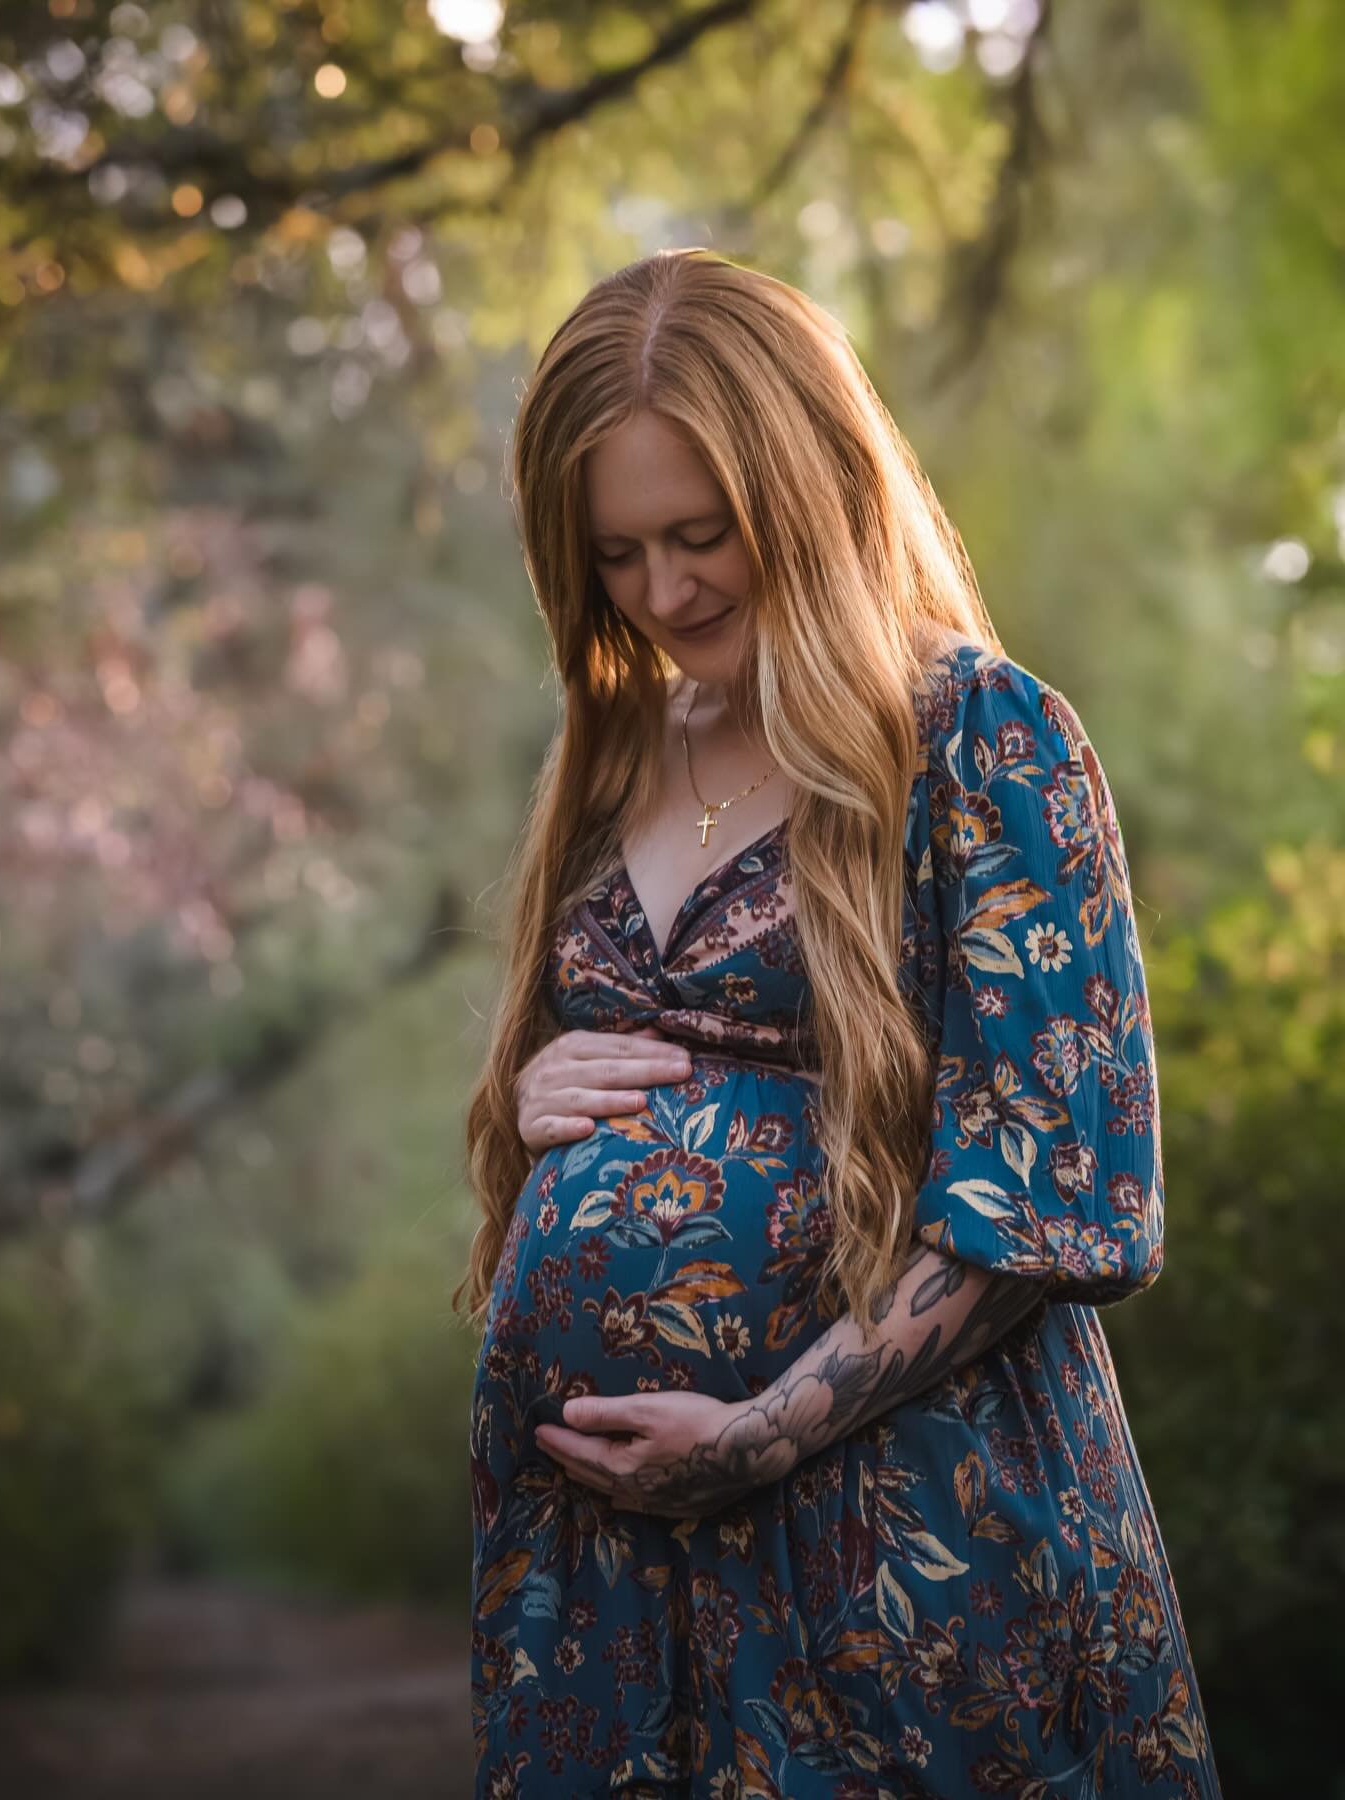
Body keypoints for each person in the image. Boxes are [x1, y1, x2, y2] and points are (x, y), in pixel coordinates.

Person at [457, 248, 1222, 1799]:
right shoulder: (610, 756)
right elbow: (598, 1086)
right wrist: (541, 1083)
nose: (664, 596)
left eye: (700, 534)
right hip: (605, 1577)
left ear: (808, 484)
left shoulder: (982, 741)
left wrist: (757, 1435)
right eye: (615, 556)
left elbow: (1057, 1192)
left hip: (901, 1539)